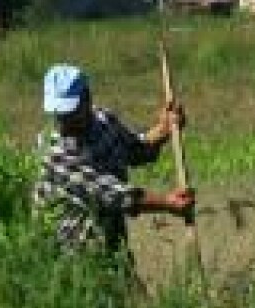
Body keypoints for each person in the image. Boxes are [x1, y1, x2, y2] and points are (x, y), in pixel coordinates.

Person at [35, 63, 195, 256]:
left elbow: (135, 149)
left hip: (112, 245)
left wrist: (164, 129)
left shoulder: (103, 121)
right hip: (73, 256)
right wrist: (168, 203)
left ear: (87, 98)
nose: (64, 119)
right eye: (59, 112)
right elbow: (116, 195)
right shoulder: (54, 153)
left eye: (70, 111)